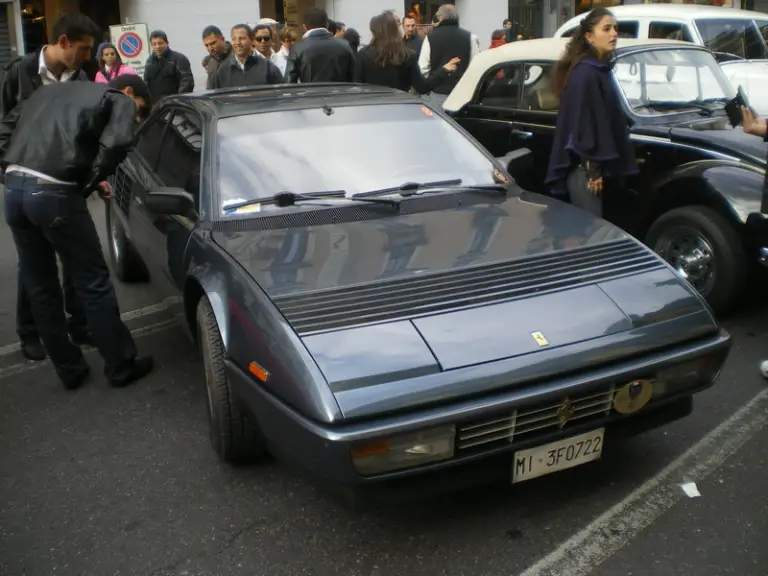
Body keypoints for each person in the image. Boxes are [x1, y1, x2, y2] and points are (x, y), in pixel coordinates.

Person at [0, 74, 154, 390]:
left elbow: (5, 131)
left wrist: (14, 176)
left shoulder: (47, 92)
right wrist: (88, 179)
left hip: (15, 187)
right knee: (92, 280)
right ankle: (120, 365)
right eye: (138, 111)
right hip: (55, 194)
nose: (134, 118)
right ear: (128, 92)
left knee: (39, 283)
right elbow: (118, 143)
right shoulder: (117, 98)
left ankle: (69, 369)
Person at [0, 12, 99, 361]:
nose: (89, 57)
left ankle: (81, 323)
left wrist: (91, 176)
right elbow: (4, 128)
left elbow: (84, 132)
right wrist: (10, 175)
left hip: (66, 183)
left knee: (75, 260)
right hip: (27, 185)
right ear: (63, 42)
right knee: (34, 266)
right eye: (84, 49)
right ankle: (30, 333)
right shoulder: (20, 72)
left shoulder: (80, 76)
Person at [545, 7, 637, 219]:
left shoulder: (598, 69)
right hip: (585, 171)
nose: (614, 34)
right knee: (591, 231)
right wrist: (593, 170)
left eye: (615, 28)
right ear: (589, 36)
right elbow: (584, 125)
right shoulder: (586, 73)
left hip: (595, 168)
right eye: (606, 29)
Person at [354, 12, 458, 94]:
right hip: (400, 108)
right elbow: (422, 87)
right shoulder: (407, 55)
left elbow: (357, 87)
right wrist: (443, 70)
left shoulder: (364, 54)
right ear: (395, 30)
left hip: (373, 109)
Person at [418, 4, 480, 100]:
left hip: (437, 92)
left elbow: (423, 69)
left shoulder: (430, 37)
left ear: (441, 17)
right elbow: (476, 67)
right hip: (462, 93)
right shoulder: (470, 37)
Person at [286, 8, 355, 83]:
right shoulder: (344, 45)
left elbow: (289, 81)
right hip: (340, 93)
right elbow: (355, 76)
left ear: (304, 27)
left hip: (310, 94)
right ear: (327, 25)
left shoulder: (297, 49)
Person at [210, 24, 283, 88]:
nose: (237, 43)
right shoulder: (221, 71)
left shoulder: (269, 68)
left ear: (252, 40)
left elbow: (280, 97)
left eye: (242, 38)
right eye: (234, 39)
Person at [143, 30, 194, 103]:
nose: (157, 47)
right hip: (156, 106)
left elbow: (187, 82)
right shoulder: (149, 61)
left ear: (167, 43)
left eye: (160, 43)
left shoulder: (179, 59)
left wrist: (178, 101)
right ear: (151, 45)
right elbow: (146, 83)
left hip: (174, 105)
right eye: (154, 44)